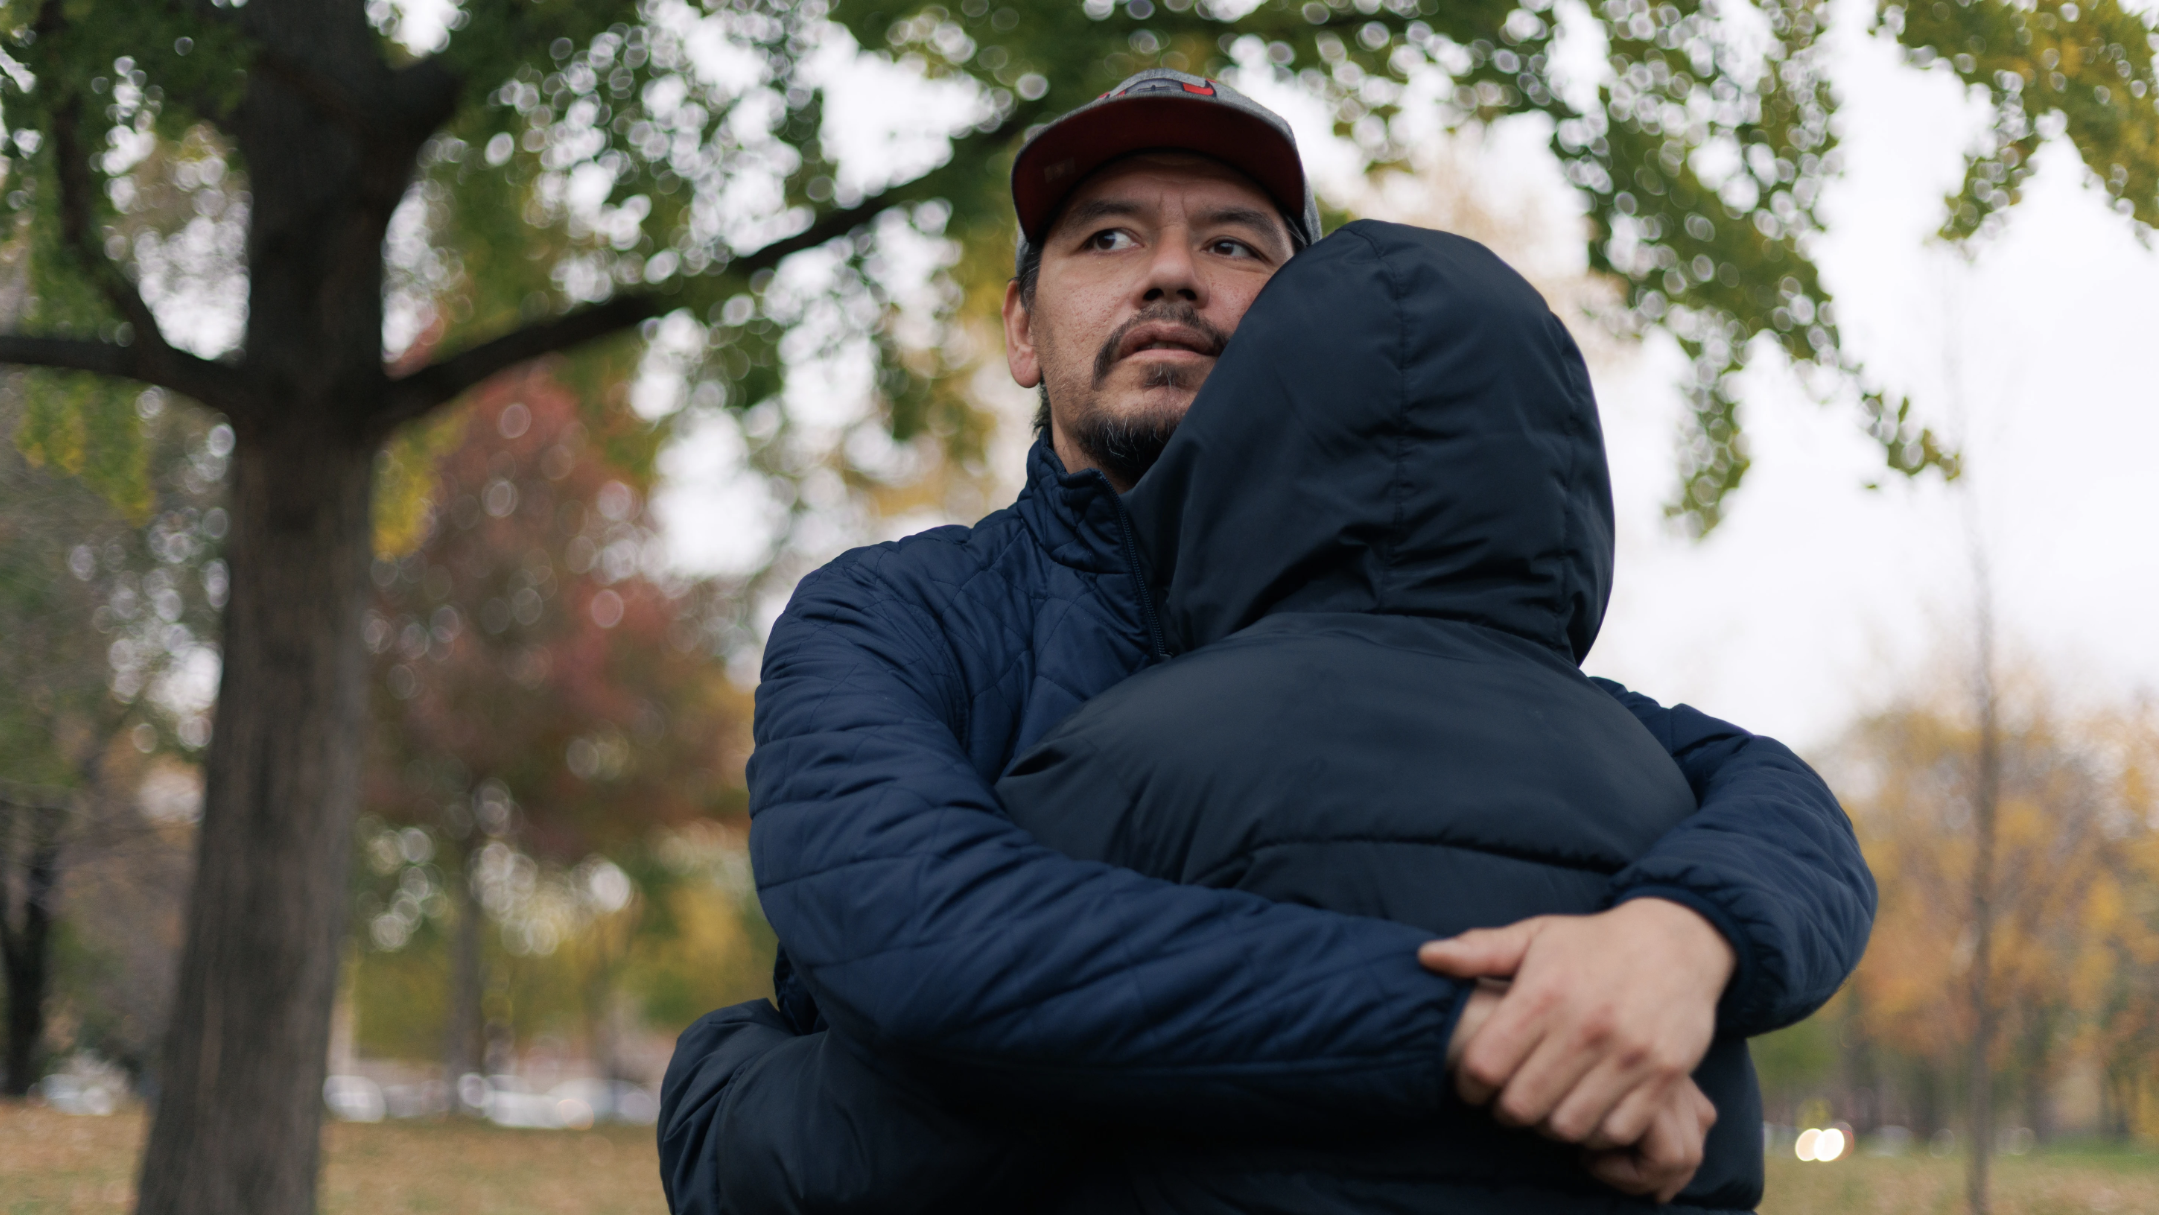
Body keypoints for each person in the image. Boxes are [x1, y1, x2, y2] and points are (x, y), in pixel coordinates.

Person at [659, 69, 1875, 1212]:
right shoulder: (890, 618)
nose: (1174, 274)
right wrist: (1504, 1023)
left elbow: (1768, 790)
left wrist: (1685, 935)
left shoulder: (1447, 639)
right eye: (1109, 238)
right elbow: (919, 925)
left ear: (1309, 333)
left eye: (1235, 243)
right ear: (1024, 330)